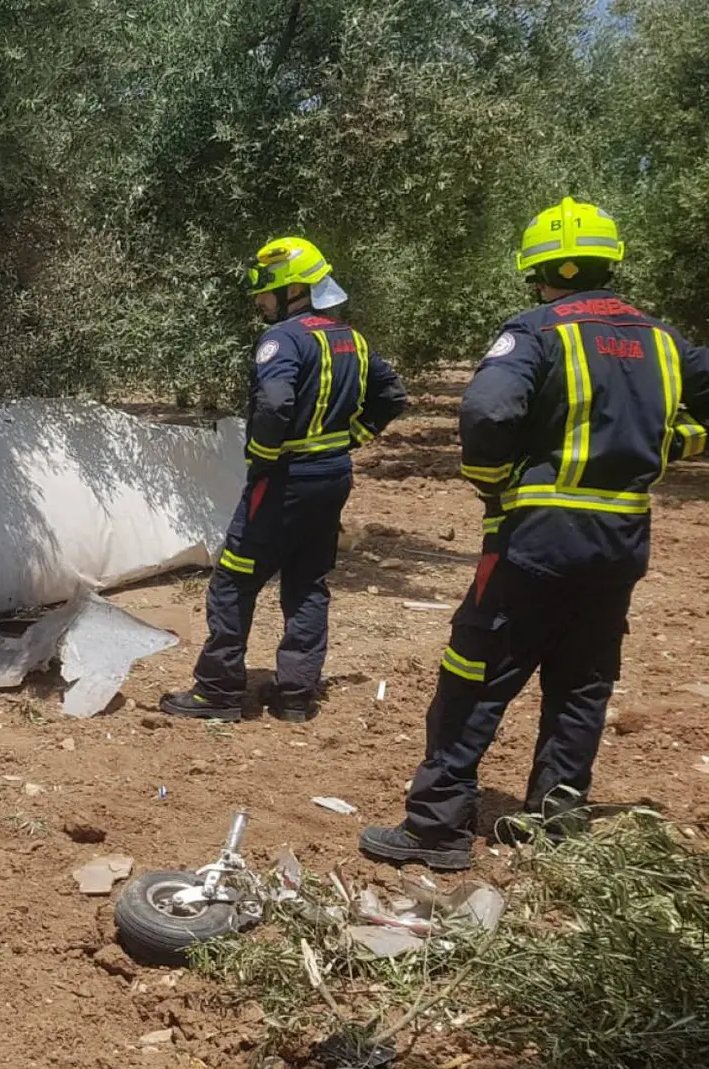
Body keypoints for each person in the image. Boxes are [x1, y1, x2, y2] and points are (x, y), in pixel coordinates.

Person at [360, 198, 709, 871]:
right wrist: (674, 442)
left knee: (475, 673)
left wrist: (492, 482)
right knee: (582, 682)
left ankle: (437, 826)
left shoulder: (538, 330)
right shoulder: (665, 341)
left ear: (540, 271)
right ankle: (556, 824)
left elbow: (488, 412)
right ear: (610, 263)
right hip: (620, 544)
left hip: (536, 538)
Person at [159, 238, 408, 724]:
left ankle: (219, 691)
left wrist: (262, 455)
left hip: (285, 479)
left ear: (293, 289)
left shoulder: (283, 340)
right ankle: (296, 694)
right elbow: (391, 395)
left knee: (233, 581)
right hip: (333, 476)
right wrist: (352, 437)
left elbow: (275, 403)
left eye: (265, 291)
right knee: (307, 582)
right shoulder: (351, 339)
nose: (259, 301)